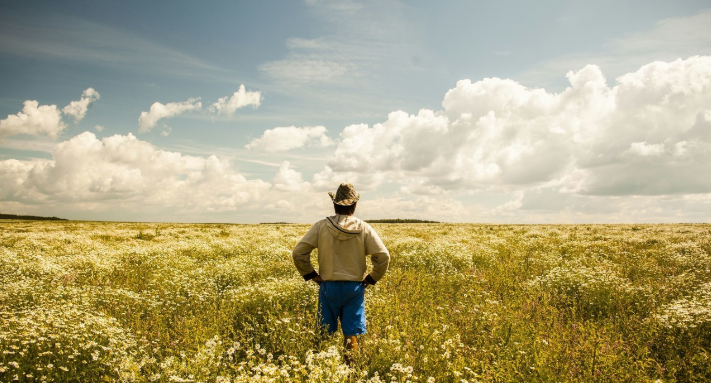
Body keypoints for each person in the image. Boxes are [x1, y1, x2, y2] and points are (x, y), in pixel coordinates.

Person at [292, 183, 390, 362]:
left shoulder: (322, 226)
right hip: (355, 288)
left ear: (334, 205)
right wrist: (371, 278)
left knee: (323, 331)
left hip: (328, 286)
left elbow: (298, 253)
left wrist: (312, 275)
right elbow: (383, 256)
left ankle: (319, 366)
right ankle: (349, 369)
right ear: (355, 205)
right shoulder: (364, 227)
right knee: (350, 332)